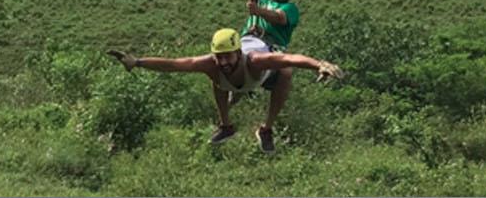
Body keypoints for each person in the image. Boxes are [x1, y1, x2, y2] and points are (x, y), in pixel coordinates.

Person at [107, 28, 343, 155]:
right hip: (234, 84)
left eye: (228, 56)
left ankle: (266, 129)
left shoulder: (255, 60)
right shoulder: (212, 64)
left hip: (262, 78)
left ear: (238, 53)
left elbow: (289, 57)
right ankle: (226, 126)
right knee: (215, 77)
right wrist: (137, 62)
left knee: (287, 71)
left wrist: (318, 64)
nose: (223, 61)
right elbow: (174, 64)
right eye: (219, 57)